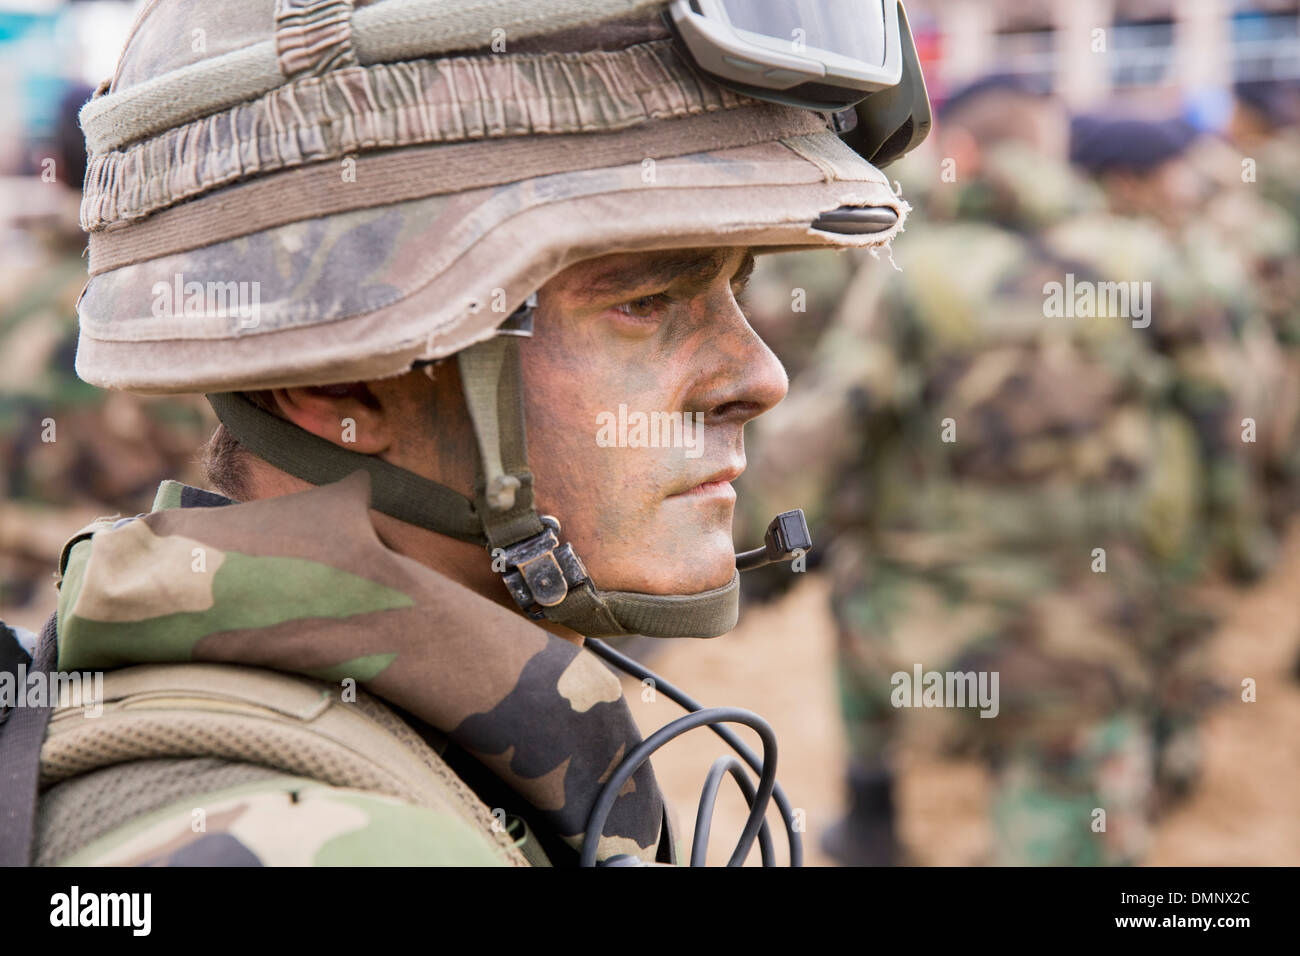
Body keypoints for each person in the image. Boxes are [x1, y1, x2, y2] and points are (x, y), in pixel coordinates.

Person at [0, 0, 923, 866]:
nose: (759, 378)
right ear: (340, 379)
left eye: (738, 288)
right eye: (645, 302)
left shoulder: (373, 741)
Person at [745, 79, 1202, 866]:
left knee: (854, 587)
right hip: (1085, 641)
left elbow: (818, 436)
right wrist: (1200, 570)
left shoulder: (912, 274)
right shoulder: (1145, 264)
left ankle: (872, 816)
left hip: (921, 639)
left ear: (962, 157)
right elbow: (1229, 425)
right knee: (1071, 798)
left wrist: (758, 565)